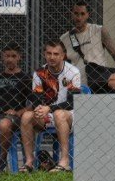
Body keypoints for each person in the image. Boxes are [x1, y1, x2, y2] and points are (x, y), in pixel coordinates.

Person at [19, 40, 81, 173]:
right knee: (26, 116)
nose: (52, 57)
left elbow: (72, 103)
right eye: (49, 53)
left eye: (56, 54)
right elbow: (36, 99)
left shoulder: (73, 72)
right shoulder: (39, 73)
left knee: (59, 114)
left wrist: (49, 108)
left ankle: (64, 162)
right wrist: (39, 109)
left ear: (63, 55)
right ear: (44, 54)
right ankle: (29, 162)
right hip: (46, 114)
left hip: (69, 114)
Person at [59, 1, 115, 92]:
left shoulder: (99, 31)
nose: (79, 17)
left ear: (88, 15)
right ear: (71, 14)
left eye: (82, 14)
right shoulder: (64, 39)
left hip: (99, 85)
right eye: (76, 13)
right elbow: (61, 66)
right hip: (77, 88)